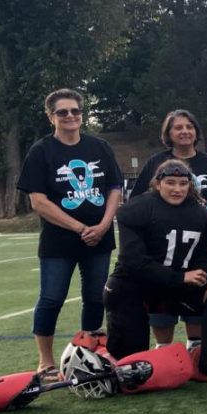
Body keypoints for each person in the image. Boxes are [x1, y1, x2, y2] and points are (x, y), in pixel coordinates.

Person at [17, 89, 124, 380]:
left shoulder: (99, 147)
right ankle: (46, 361)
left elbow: (115, 188)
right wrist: (79, 228)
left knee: (94, 298)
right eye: (62, 112)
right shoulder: (41, 151)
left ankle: (87, 354)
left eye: (75, 111)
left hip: (99, 236)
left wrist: (103, 225)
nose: (70, 116)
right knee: (51, 298)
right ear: (51, 116)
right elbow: (38, 201)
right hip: (59, 240)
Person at [129, 108, 207, 343]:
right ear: (168, 133)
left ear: (196, 131)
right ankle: (163, 347)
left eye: (189, 127)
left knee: (199, 290)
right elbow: (137, 201)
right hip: (161, 243)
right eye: (178, 127)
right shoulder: (156, 162)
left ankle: (195, 347)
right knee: (161, 290)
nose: (184, 131)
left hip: (206, 242)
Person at [103, 160, 207, 359]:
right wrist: (180, 278)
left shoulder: (200, 213)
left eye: (182, 183)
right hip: (136, 284)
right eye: (170, 182)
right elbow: (133, 261)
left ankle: (205, 352)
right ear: (157, 183)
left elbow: (203, 254)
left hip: (175, 287)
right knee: (130, 362)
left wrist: (199, 271)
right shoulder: (138, 208)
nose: (177, 189)